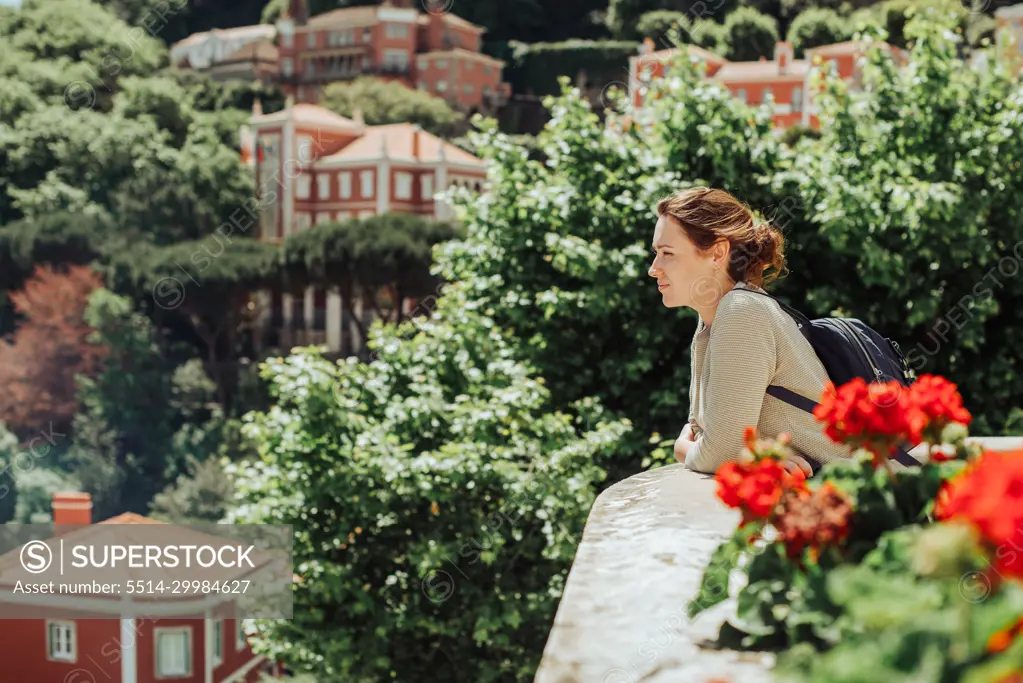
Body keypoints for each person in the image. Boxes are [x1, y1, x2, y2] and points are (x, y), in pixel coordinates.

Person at [647, 187, 853, 477]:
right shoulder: (713, 320)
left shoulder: (741, 311)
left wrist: (681, 449)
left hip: (850, 495)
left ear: (718, 252)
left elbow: (713, 453)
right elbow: (704, 436)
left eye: (667, 253)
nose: (654, 269)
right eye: (656, 253)